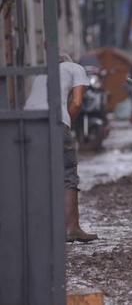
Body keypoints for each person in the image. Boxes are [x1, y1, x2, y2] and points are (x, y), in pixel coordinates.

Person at [25, 53, 98, 242]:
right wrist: (66, 124)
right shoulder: (75, 68)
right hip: (55, 123)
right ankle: (71, 229)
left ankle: (37, 229)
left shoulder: (41, 74)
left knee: (36, 175)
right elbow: (77, 102)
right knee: (68, 174)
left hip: (27, 125)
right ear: (68, 61)